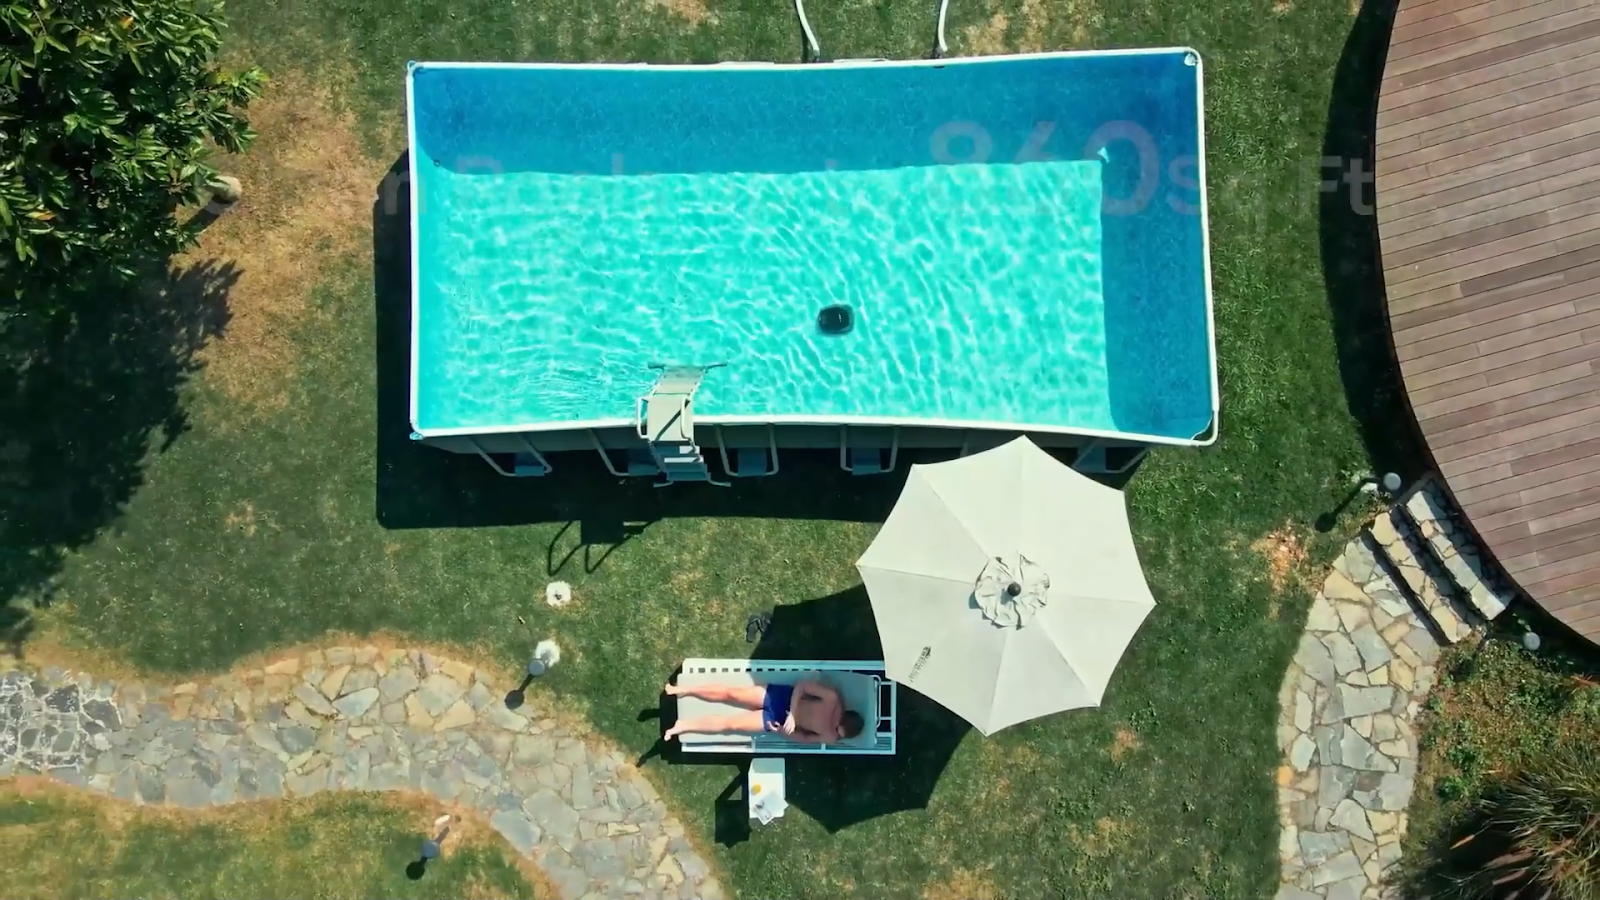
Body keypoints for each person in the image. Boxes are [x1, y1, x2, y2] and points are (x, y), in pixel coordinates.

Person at [663, 675, 865, 743]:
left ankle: (683, 726)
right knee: (732, 694)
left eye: (839, 734)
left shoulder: (831, 737)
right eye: (837, 725)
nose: (833, 729)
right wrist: (793, 715)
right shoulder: (832, 698)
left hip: (777, 719)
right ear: (842, 715)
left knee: (731, 724)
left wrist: (784, 732)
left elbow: (804, 739)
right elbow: (802, 685)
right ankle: (683, 689)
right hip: (782, 698)